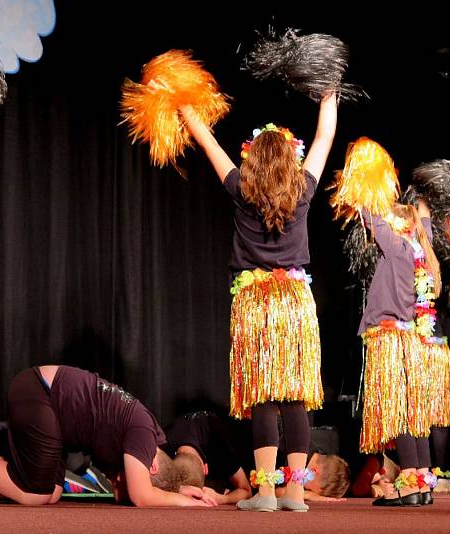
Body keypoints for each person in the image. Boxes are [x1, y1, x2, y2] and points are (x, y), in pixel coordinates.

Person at [179, 92, 337, 512]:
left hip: (255, 303)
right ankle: (297, 493)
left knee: (264, 394)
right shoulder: (302, 189)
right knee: (295, 398)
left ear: (253, 162)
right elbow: (324, 138)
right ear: (290, 161)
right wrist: (328, 96)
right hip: (296, 302)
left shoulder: (241, 188)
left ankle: (266, 493)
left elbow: (207, 142)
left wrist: (184, 107)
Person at [0, 365, 210, 507]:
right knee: (35, 494)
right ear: (152, 465)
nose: (119, 480)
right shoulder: (143, 436)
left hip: (53, 413)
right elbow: (142, 495)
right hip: (41, 392)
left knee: (52, 494)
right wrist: (186, 503)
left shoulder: (151, 437)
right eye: (126, 476)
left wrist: (175, 490)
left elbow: (149, 488)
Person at [356, 197, 441, 507]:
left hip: (390, 339)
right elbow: (426, 227)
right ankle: (420, 482)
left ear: (400, 226)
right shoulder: (421, 250)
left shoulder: (397, 248)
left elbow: (370, 217)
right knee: (413, 415)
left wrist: (366, 186)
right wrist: (423, 207)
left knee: (400, 413)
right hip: (409, 340)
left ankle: (408, 482)